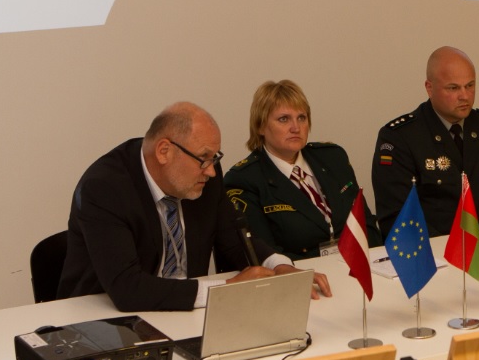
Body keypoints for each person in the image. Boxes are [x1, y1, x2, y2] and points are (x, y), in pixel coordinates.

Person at [58, 102, 331, 312]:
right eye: (203, 158)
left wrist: (279, 266)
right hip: (102, 323)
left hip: (186, 314)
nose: (211, 170)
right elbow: (127, 289)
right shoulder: (105, 188)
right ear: (164, 151)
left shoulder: (205, 175)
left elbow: (234, 240)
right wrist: (225, 289)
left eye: (214, 158)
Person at [372, 46, 479, 237]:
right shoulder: (400, 138)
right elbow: (397, 218)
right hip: (434, 250)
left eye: (470, 85)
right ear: (429, 88)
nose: (465, 96)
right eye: (453, 88)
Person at [224, 80, 380, 260]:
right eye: (284, 119)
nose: (296, 128)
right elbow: (265, 255)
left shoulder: (333, 158)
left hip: (357, 265)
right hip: (302, 273)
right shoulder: (245, 179)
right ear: (260, 126)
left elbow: (366, 225)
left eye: (301, 118)